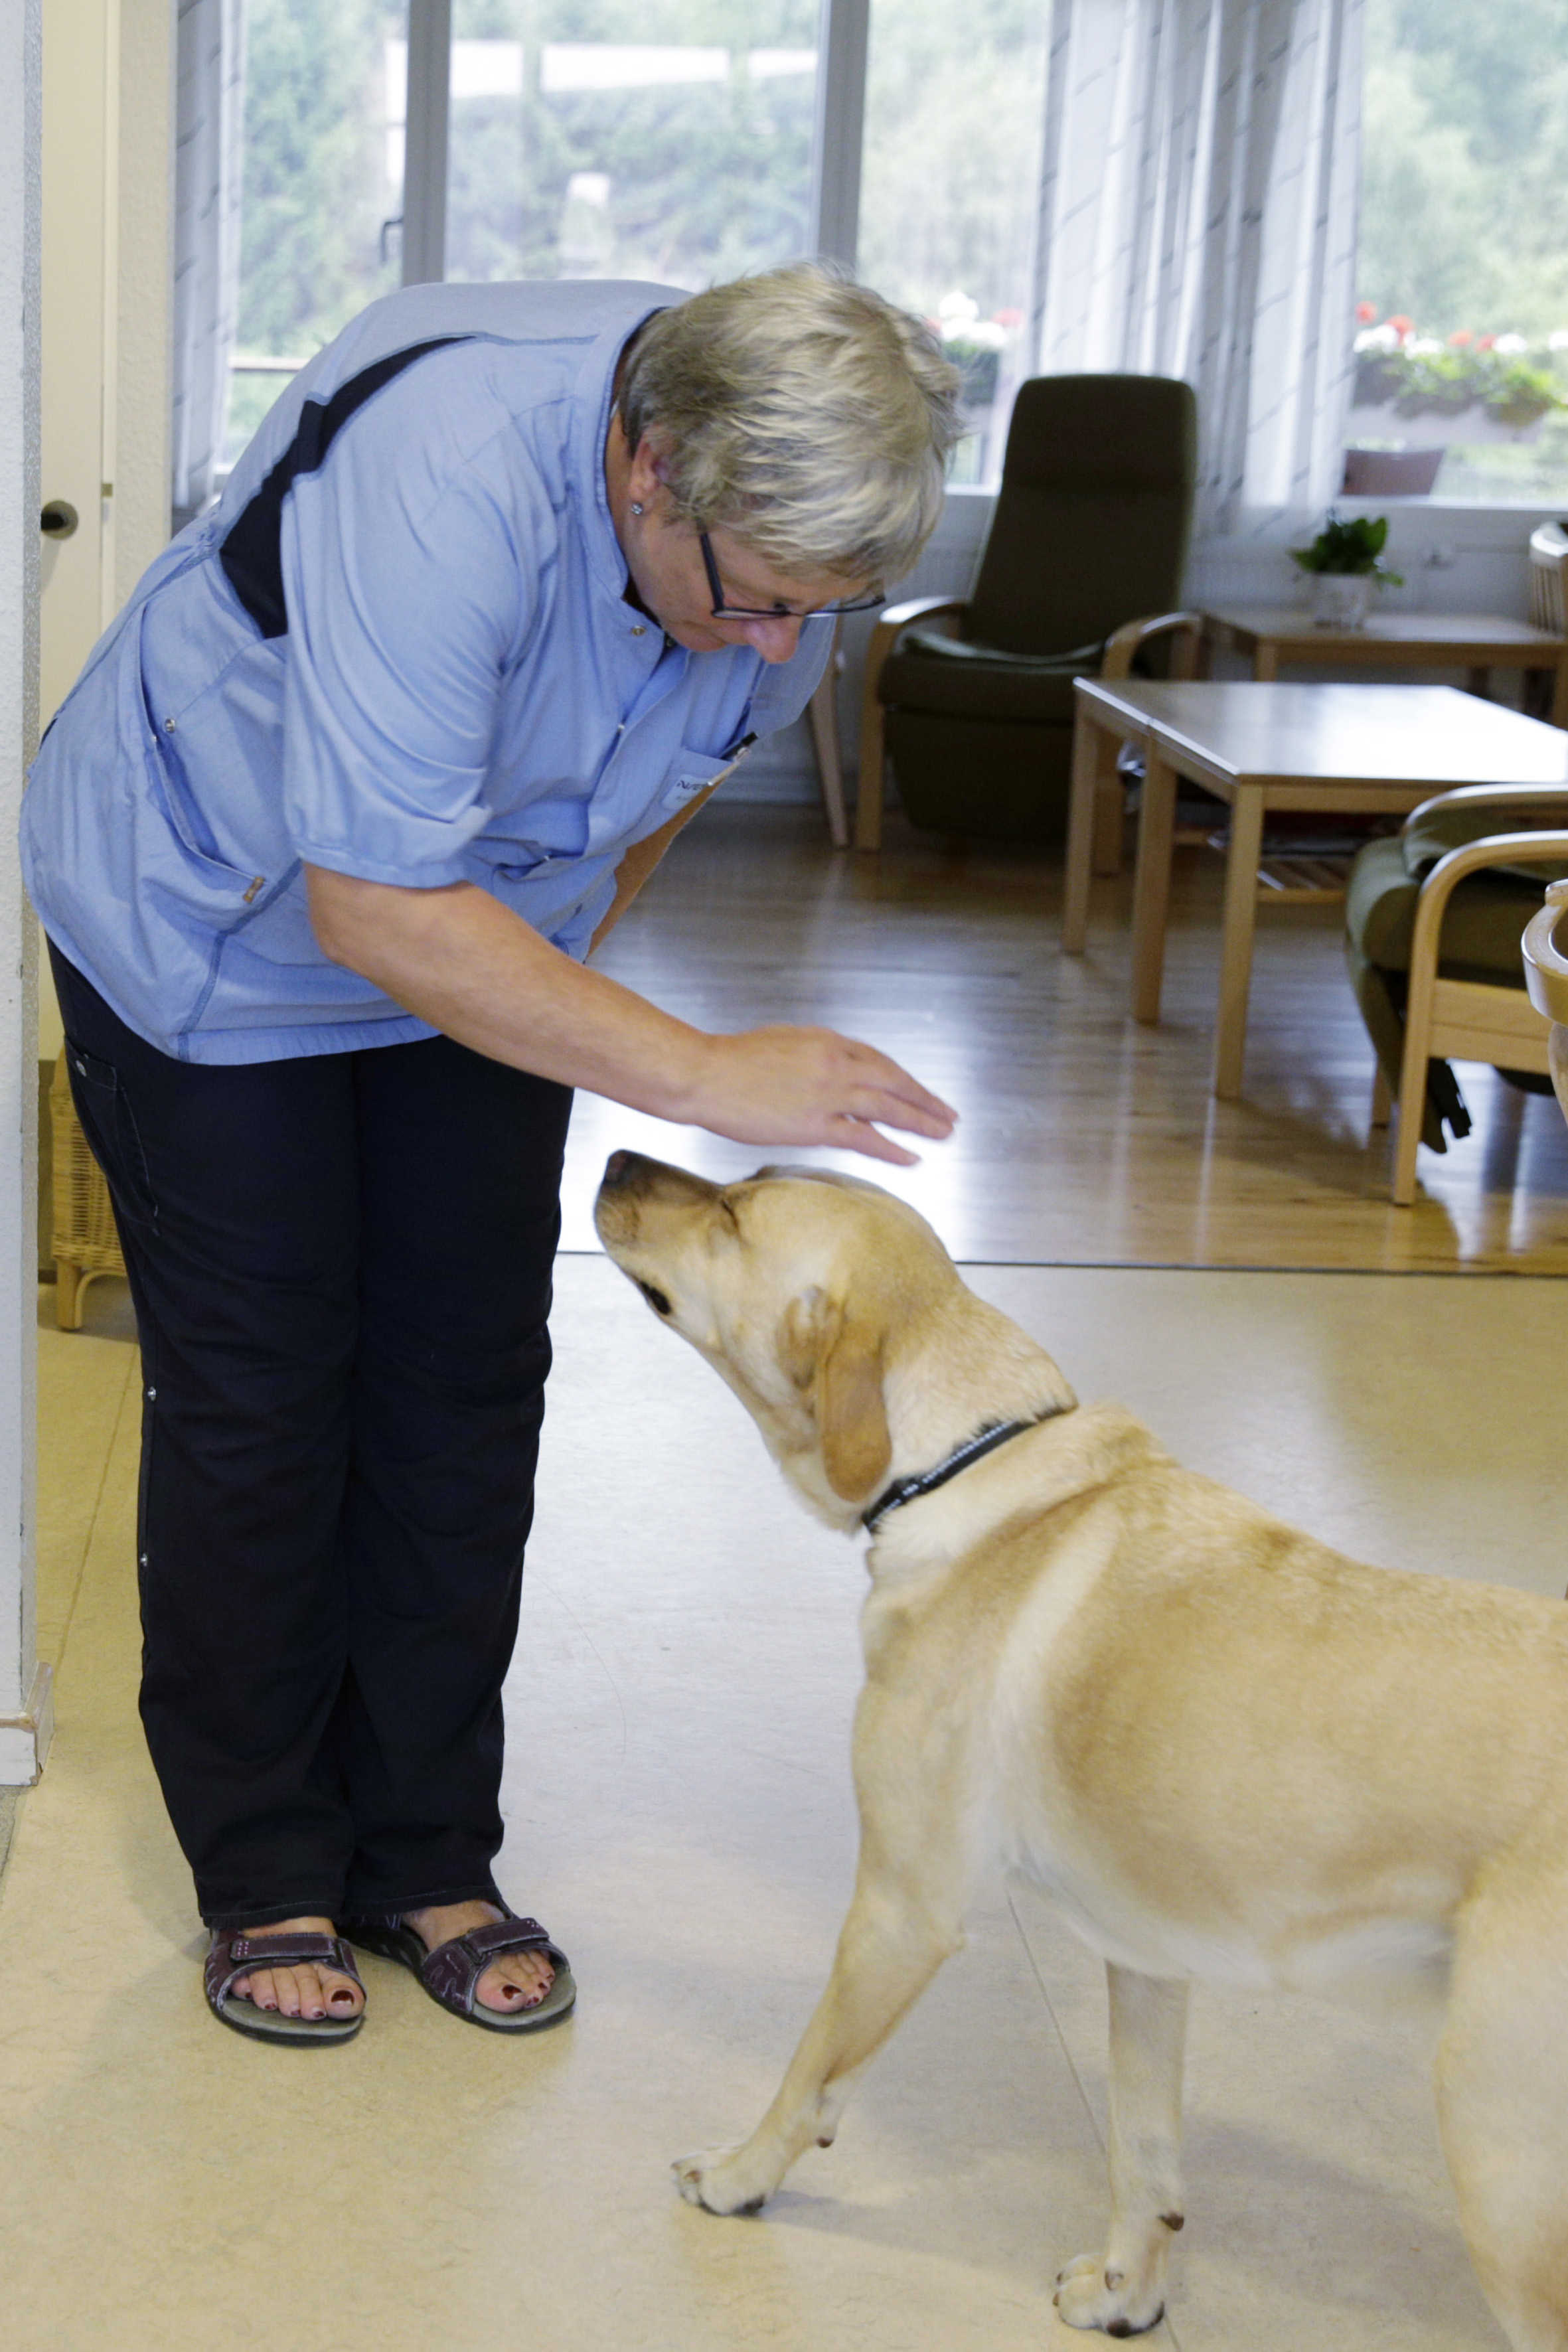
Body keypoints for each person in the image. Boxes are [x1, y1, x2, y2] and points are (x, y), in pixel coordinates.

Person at [21, 262, 960, 2043]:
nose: (783, 641)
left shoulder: (773, 530)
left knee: (462, 1379)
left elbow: (661, 786)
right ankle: (271, 1868)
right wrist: (697, 1072)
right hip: (213, 918)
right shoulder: (449, 474)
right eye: (757, 600)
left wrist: (559, 991)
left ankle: (425, 1846)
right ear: (644, 472)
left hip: (475, 934)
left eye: (823, 609)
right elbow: (372, 901)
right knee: (265, 1389)